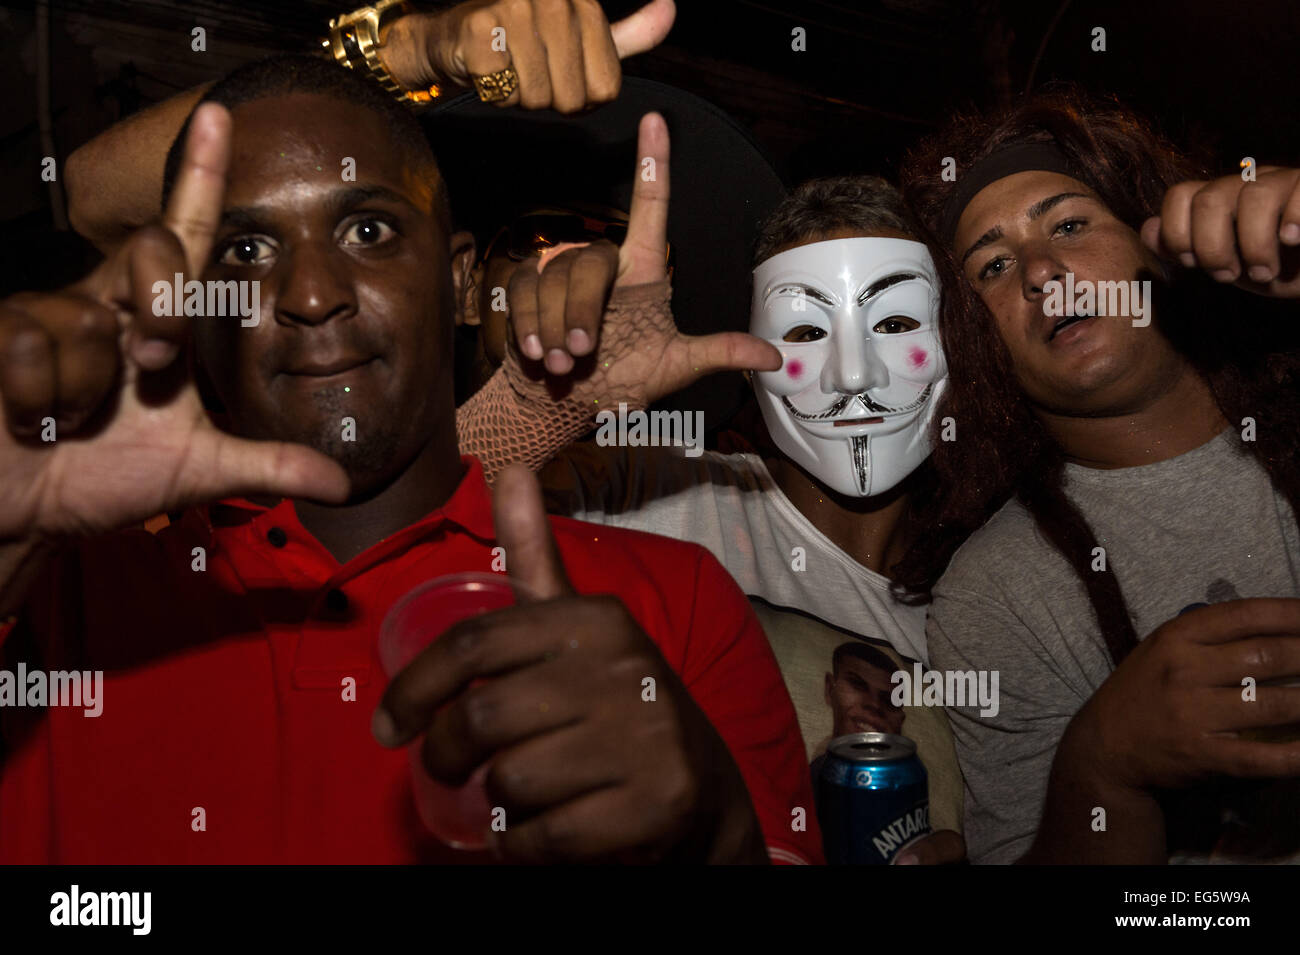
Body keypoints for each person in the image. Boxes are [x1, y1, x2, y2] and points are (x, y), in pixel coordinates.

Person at [0, 54, 822, 865]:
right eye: (246, 251)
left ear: (461, 280)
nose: (312, 292)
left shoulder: (678, 606)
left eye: (367, 230)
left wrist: (716, 832)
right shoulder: (63, 597)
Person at [495, 175, 968, 863]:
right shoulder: (653, 495)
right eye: (806, 331)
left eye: (894, 323)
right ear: (749, 367)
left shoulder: (987, 591)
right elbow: (440, 520)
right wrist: (529, 408)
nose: (854, 375)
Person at [897, 85, 1300, 863]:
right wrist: (1103, 765)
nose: (1043, 271)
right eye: (993, 266)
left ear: (1156, 241)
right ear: (975, 344)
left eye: (1072, 225)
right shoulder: (996, 594)